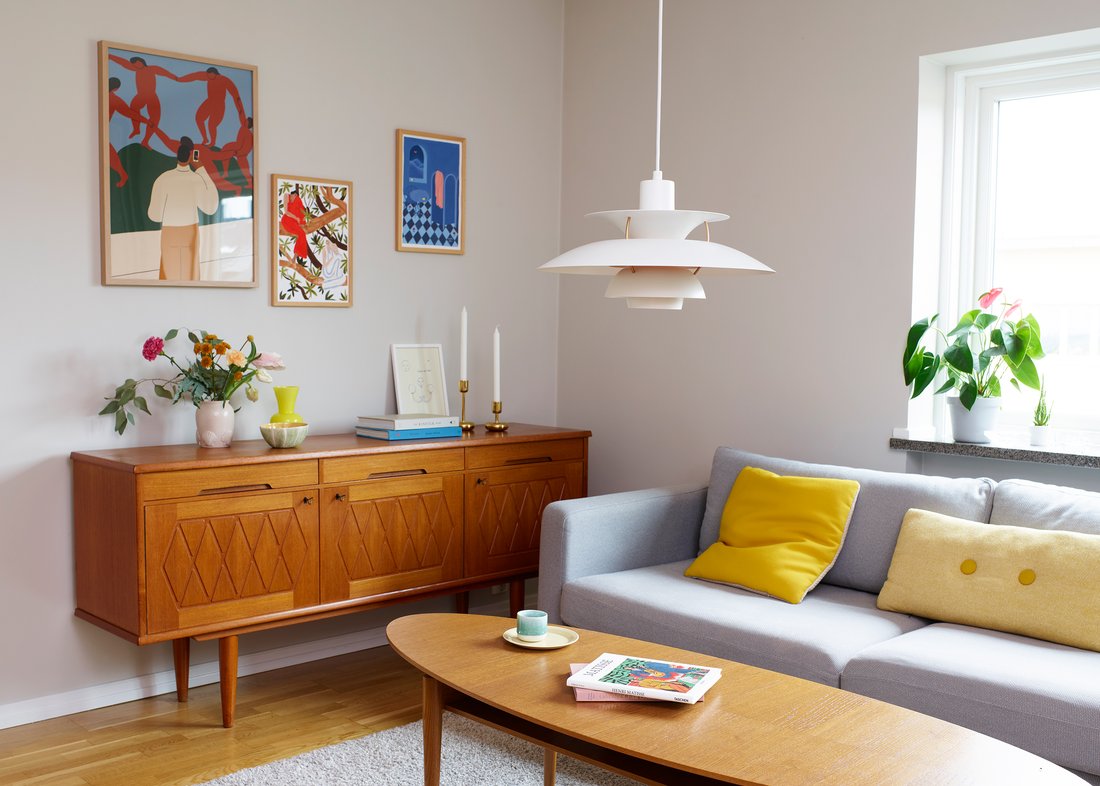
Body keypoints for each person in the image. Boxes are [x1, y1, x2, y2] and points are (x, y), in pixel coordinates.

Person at [147, 136, 219, 280]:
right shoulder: (197, 180)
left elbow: (154, 215)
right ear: (192, 155)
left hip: (169, 232)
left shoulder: (163, 179)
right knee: (191, 279)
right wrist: (201, 168)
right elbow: (211, 207)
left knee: (167, 280)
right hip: (190, 233)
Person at [108, 54, 178, 149]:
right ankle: (136, 129)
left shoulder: (152, 69)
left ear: (141, 61)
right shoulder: (136, 69)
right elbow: (123, 63)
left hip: (152, 96)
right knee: (133, 107)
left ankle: (145, 141)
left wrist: (175, 77)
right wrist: (111, 57)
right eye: (134, 65)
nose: (136, 66)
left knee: (155, 118)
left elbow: (164, 72)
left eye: (136, 63)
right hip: (140, 96)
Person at [179, 66, 245, 147]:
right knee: (199, 118)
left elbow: (236, 96)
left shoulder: (224, 80)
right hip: (209, 102)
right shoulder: (208, 76)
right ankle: (205, 138)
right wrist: (179, 79)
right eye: (207, 76)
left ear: (215, 74)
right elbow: (194, 76)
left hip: (219, 104)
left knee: (212, 125)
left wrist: (240, 111)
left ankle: (213, 142)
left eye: (210, 75)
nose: (208, 77)